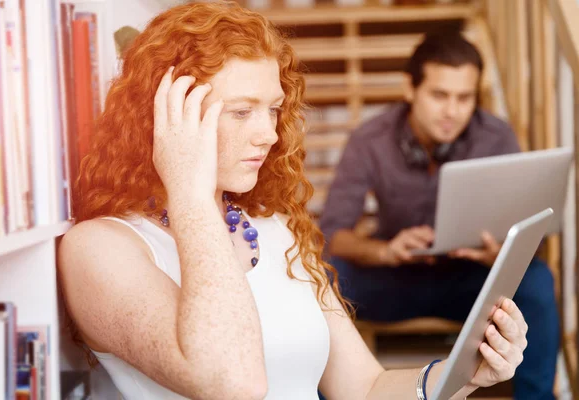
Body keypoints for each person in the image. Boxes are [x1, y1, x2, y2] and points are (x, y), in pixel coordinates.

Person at [58, 3, 528, 399]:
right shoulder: (98, 248)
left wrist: (462, 376)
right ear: (164, 117)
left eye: (274, 109)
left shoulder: (275, 229)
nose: (268, 134)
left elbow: (367, 387)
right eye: (242, 111)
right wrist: (188, 189)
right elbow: (231, 381)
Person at [320, 31, 559, 400]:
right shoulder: (371, 139)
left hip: (468, 282)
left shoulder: (495, 136)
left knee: (537, 281)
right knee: (322, 279)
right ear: (409, 89)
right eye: (439, 95)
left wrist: (498, 254)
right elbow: (334, 232)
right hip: (394, 278)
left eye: (464, 98)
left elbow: (528, 235)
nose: (452, 111)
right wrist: (384, 251)